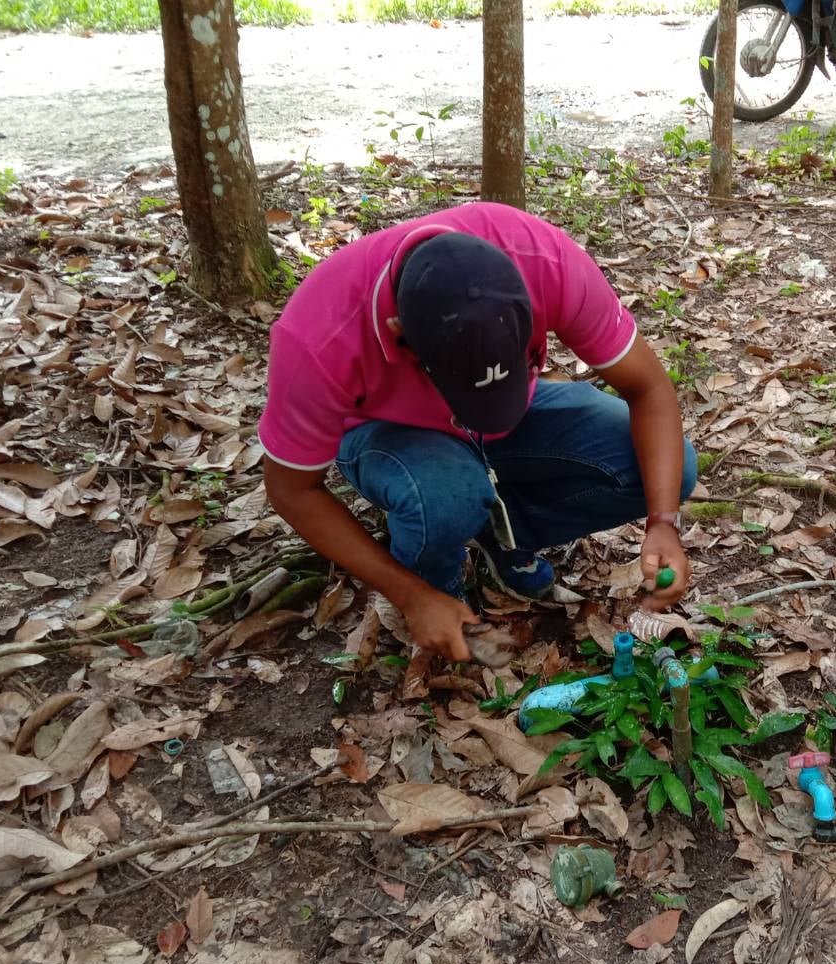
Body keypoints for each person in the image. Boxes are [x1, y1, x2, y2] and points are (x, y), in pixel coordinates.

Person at [259, 202, 697, 662]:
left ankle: (502, 536)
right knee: (444, 497)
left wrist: (662, 523)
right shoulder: (319, 336)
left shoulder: (544, 259)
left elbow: (648, 388)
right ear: (400, 333)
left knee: (668, 467)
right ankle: (441, 591)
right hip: (385, 428)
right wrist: (411, 596)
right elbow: (291, 490)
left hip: (518, 409)